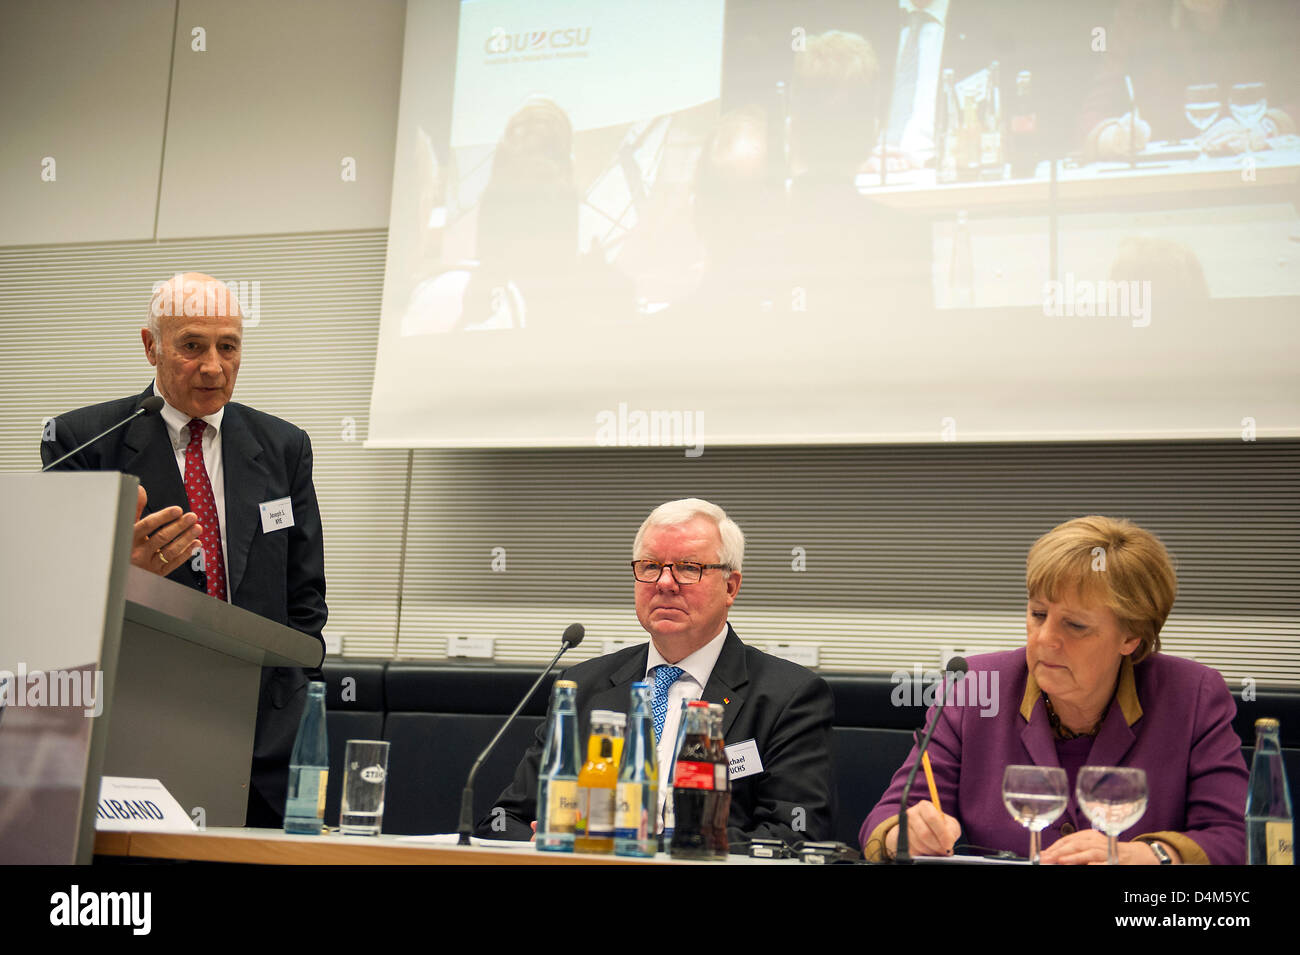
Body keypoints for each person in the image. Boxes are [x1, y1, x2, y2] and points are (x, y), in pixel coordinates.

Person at [40, 272, 327, 828]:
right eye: (192, 346)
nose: (214, 367)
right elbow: (50, 602)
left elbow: (305, 594)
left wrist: (290, 701)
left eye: (229, 346)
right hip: (139, 723)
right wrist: (120, 576)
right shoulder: (85, 441)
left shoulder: (284, 446)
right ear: (151, 346)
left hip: (264, 736)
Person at [861, 515, 1248, 864]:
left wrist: (1145, 855)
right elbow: (883, 822)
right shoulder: (975, 687)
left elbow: (1236, 838)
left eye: (1075, 625)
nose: (1044, 639)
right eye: (1038, 614)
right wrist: (904, 833)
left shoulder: (1190, 696)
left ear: (1131, 636)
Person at [479, 498, 836, 849]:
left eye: (688, 567)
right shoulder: (584, 686)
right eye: (651, 566)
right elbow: (504, 819)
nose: (665, 582)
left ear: (731, 587)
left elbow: (795, 836)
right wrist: (551, 840)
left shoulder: (788, 697)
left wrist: (650, 845)